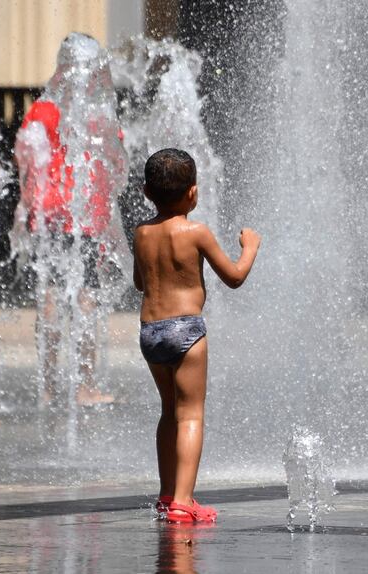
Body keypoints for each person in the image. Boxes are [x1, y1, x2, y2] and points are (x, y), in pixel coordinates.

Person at [133, 149, 260, 523]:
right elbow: (234, 277)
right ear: (193, 193)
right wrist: (249, 248)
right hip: (186, 329)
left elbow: (140, 282)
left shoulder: (141, 232)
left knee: (169, 412)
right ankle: (184, 502)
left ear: (145, 191)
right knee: (191, 415)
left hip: (150, 332)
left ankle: (166, 493)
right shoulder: (196, 231)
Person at [17, 98, 116, 407]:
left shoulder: (40, 109)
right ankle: (85, 387)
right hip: (84, 213)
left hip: (46, 214)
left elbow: (22, 154)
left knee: (49, 300)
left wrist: (27, 201)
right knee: (85, 301)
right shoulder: (97, 108)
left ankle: (47, 388)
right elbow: (115, 159)